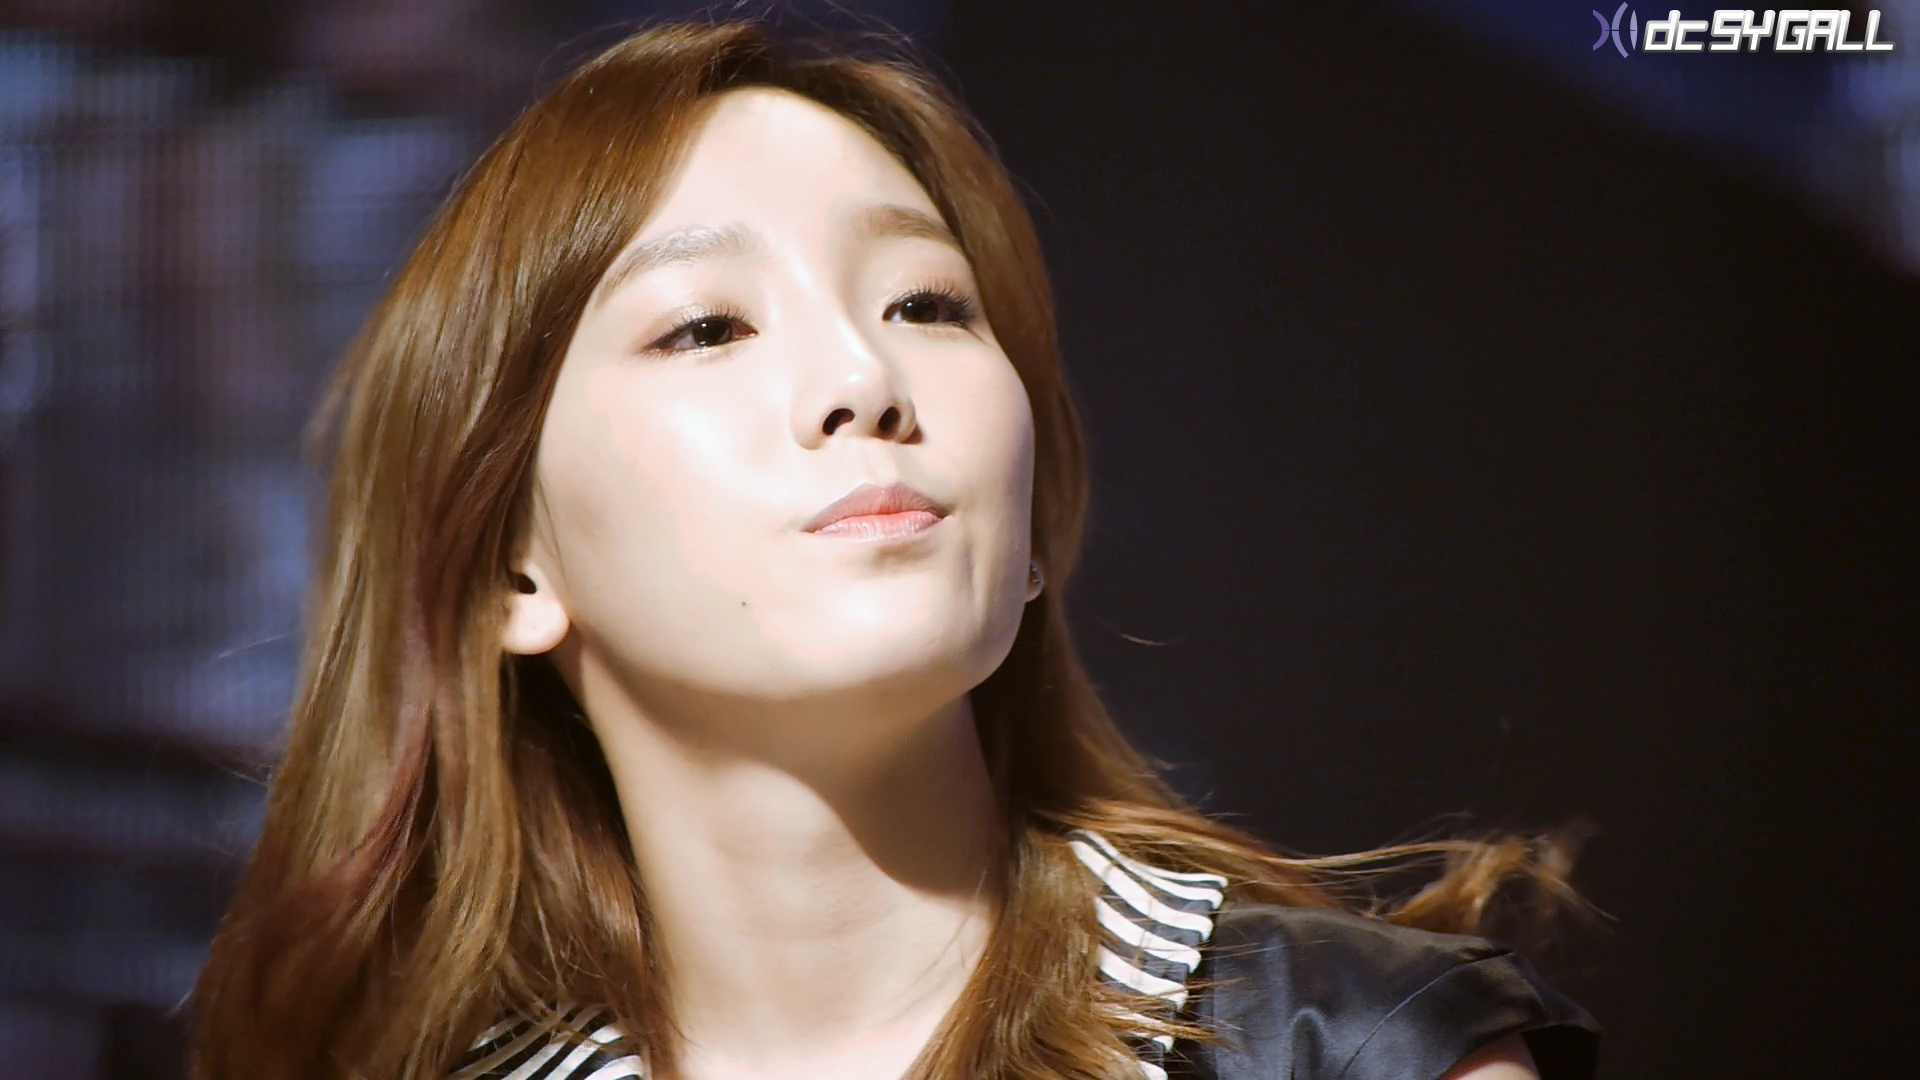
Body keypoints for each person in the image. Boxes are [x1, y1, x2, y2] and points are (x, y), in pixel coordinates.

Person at [188, 17, 1602, 1080]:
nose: (864, 378)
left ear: (1032, 525)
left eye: (927, 303)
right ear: (513, 568)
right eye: (707, 326)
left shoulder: (1346, 1052)